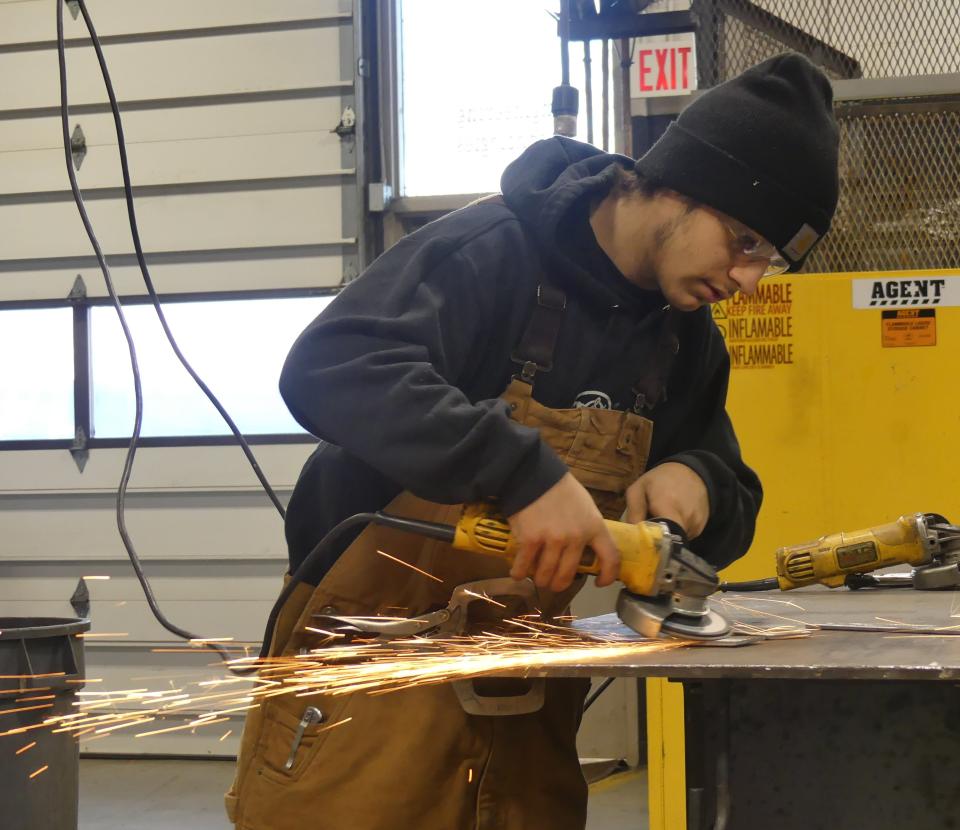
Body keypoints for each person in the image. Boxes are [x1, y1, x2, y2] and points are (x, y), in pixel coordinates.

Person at [226, 52, 839, 830]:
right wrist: (521, 472)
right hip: (371, 677)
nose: (751, 279)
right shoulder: (490, 253)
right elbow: (331, 364)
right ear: (683, 184)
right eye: (745, 242)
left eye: (773, 262)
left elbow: (735, 494)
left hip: (523, 694)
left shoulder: (683, 340)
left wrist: (701, 482)